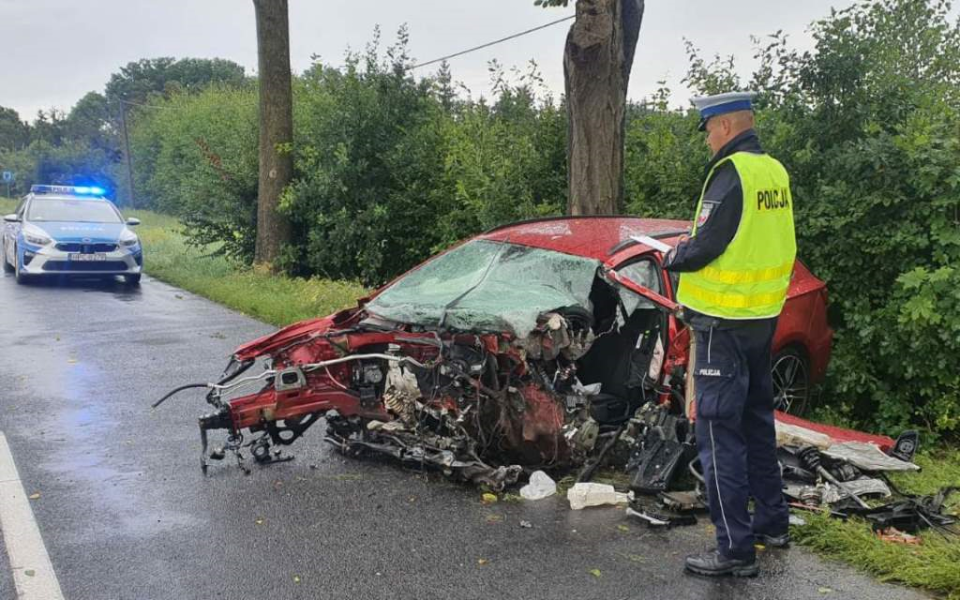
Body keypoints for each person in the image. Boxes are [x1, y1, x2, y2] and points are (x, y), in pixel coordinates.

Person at [663, 91, 796, 577]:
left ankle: (734, 551)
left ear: (723, 125)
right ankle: (773, 525)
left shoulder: (730, 173)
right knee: (758, 422)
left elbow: (707, 245)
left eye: (708, 130)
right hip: (761, 319)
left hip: (721, 325)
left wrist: (673, 256)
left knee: (718, 433)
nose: (706, 141)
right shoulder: (774, 172)